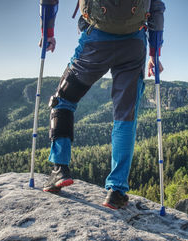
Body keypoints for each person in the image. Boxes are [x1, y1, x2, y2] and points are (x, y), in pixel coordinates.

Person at [40, 0, 165, 209]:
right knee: (125, 116)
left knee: (63, 100)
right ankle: (116, 190)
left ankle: (59, 170)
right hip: (134, 43)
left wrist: (48, 31)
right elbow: (156, 8)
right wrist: (154, 53)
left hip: (96, 39)